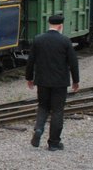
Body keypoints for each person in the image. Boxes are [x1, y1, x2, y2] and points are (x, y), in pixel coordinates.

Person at [25, 13, 80, 151]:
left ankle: (38, 129)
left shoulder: (38, 40)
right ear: (60, 26)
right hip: (60, 83)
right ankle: (54, 143)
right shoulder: (65, 41)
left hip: (42, 81)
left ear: (49, 24)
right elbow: (73, 63)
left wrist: (29, 78)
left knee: (43, 107)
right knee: (57, 111)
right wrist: (76, 81)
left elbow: (30, 61)